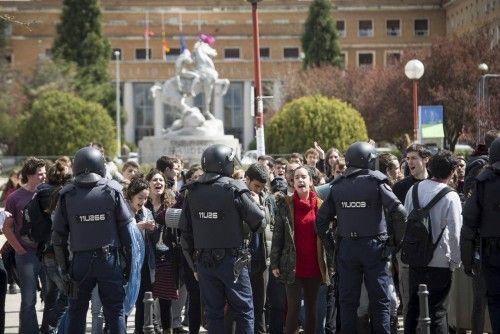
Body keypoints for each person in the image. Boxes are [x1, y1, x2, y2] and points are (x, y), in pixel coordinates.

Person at [315, 141, 407, 334]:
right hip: (375, 248)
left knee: (347, 302)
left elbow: (321, 221)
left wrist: (332, 247)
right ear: (368, 160)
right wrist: (394, 244)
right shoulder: (377, 182)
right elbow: (400, 212)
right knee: (380, 300)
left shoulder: (338, 185)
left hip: (347, 248)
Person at [179, 144, 265, 334]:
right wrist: (258, 206)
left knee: (213, 313)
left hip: (204, 262)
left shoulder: (192, 191)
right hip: (232, 261)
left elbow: (184, 234)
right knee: (244, 310)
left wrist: (194, 265)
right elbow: (259, 223)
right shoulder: (234, 188)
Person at [51, 147, 134, 334]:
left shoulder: (67, 194)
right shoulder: (112, 190)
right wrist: (128, 264)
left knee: (76, 310)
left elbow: (57, 237)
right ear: (100, 165)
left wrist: (64, 269)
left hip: (80, 262)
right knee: (115, 310)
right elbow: (126, 232)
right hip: (109, 260)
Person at [403, 150, 462, 333]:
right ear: (452, 172)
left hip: (415, 259)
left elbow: (406, 222)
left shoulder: (414, 189)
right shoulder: (451, 196)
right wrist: (455, 261)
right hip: (440, 262)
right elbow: (455, 234)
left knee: (413, 308)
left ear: (430, 167)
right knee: (437, 311)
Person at [271, 164, 328, 334]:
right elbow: (278, 235)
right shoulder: (285, 204)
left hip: (314, 266)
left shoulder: (321, 205)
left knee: (311, 310)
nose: (300, 180)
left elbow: (327, 238)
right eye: (296, 177)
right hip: (292, 266)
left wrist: (330, 265)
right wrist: (274, 263)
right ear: (293, 182)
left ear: (311, 182)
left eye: (304, 177)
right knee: (293, 309)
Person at [2, 157, 46, 334]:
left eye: (45, 173)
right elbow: (7, 228)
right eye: (40, 174)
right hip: (26, 255)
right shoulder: (15, 197)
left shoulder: (48, 193)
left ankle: (50, 329)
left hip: (48, 253)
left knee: (53, 294)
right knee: (29, 299)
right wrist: (19, 249)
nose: (44, 176)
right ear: (29, 175)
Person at [461, 137, 500, 333]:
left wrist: (467, 260)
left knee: (494, 300)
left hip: (491, 252)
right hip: (490, 249)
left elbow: (469, 223)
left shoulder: (483, 182)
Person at [125, 175, 156, 334]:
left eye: (145, 198)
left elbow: (153, 237)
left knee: (143, 300)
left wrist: (151, 228)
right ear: (131, 195)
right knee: (124, 299)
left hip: (143, 263)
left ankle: (140, 330)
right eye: (140, 197)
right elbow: (122, 232)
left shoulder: (147, 211)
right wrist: (138, 226)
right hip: (127, 263)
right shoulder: (123, 211)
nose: (142, 201)